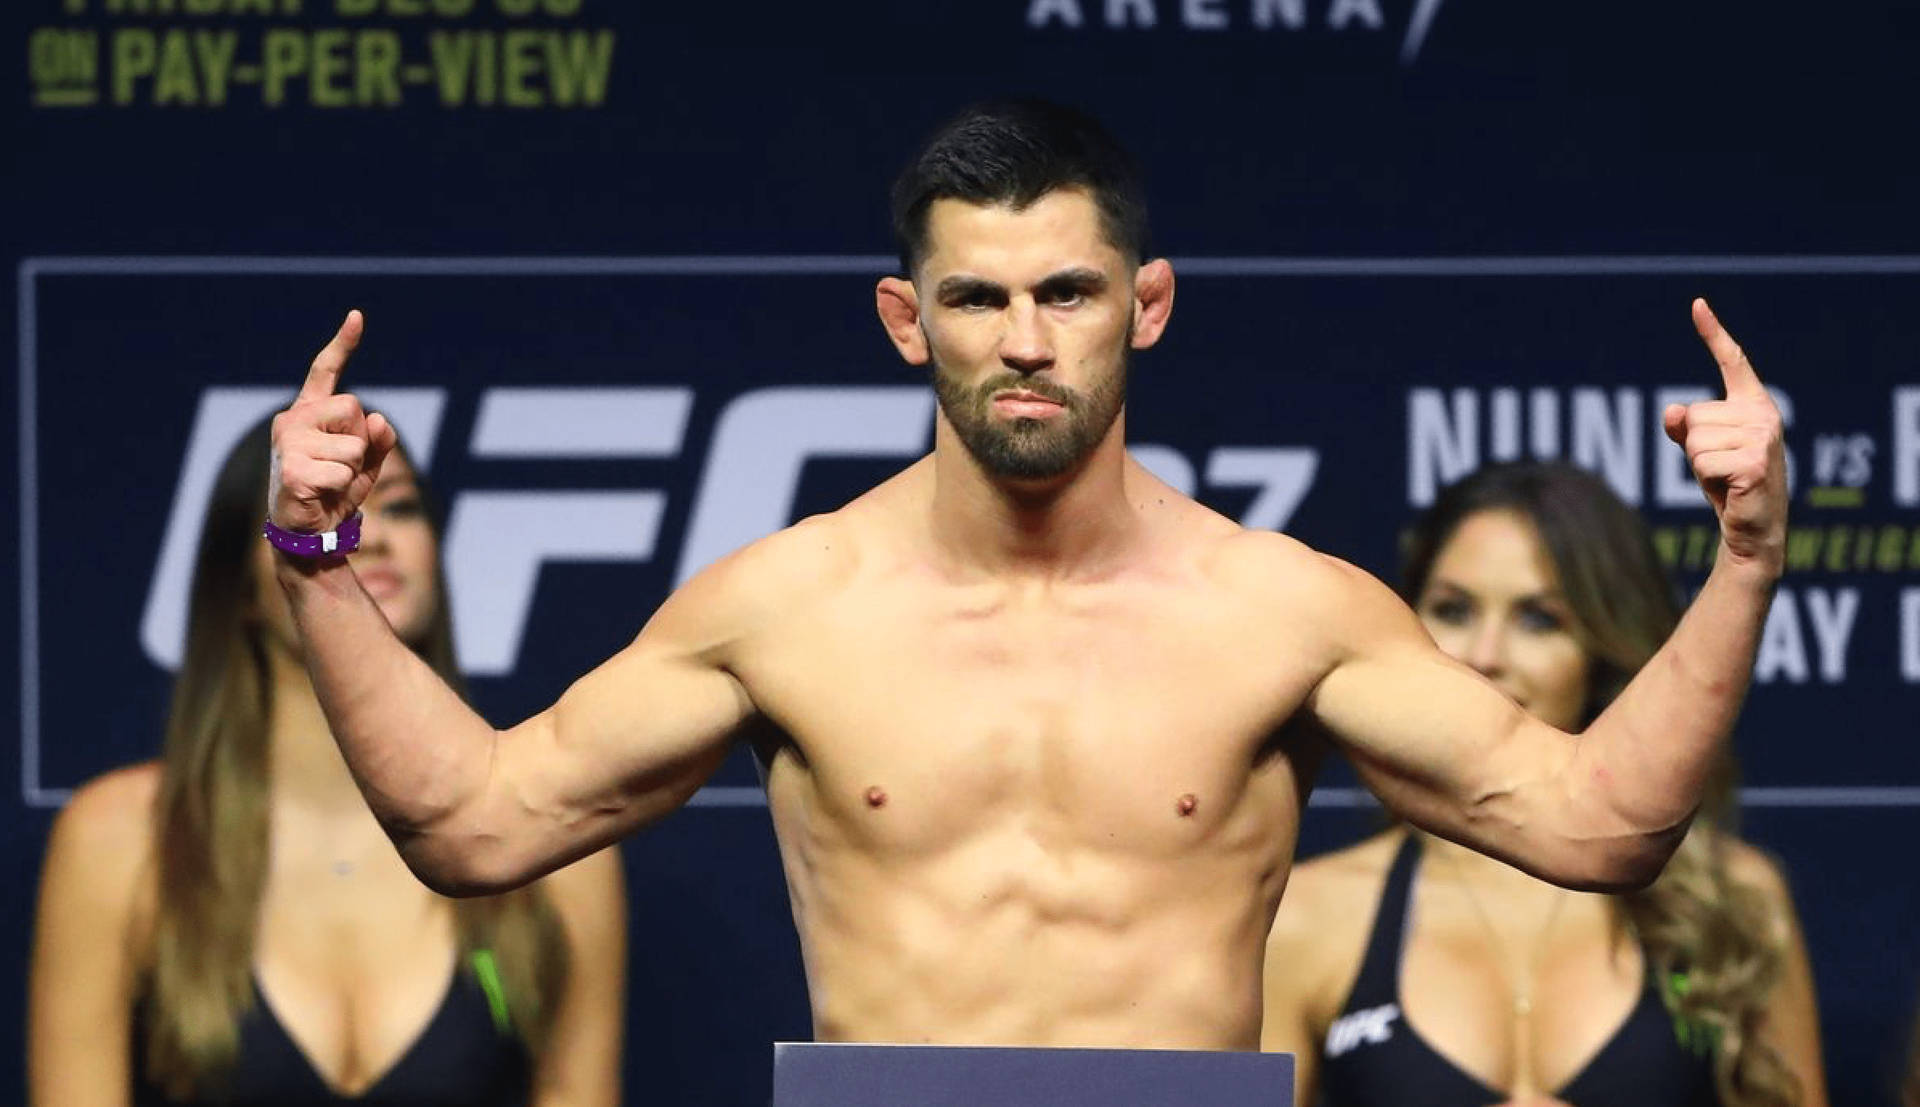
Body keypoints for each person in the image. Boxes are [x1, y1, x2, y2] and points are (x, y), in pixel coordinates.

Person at [262, 99, 1788, 1053]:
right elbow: (474, 821)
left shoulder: (1281, 611)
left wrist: (1748, 552)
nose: (1027, 338)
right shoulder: (788, 606)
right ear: (903, 320)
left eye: (1068, 290)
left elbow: (1604, 825)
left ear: (1150, 303)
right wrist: (317, 559)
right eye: (976, 297)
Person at [28, 420, 627, 1106]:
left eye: (398, 507)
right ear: (244, 584)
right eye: (317, 510)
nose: (369, 534)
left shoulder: (558, 842)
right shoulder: (119, 837)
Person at [1261, 462, 1826, 1107]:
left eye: (1538, 619)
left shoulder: (1736, 902)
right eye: (1452, 609)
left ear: (1603, 652)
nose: (1485, 653)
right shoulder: (1302, 918)